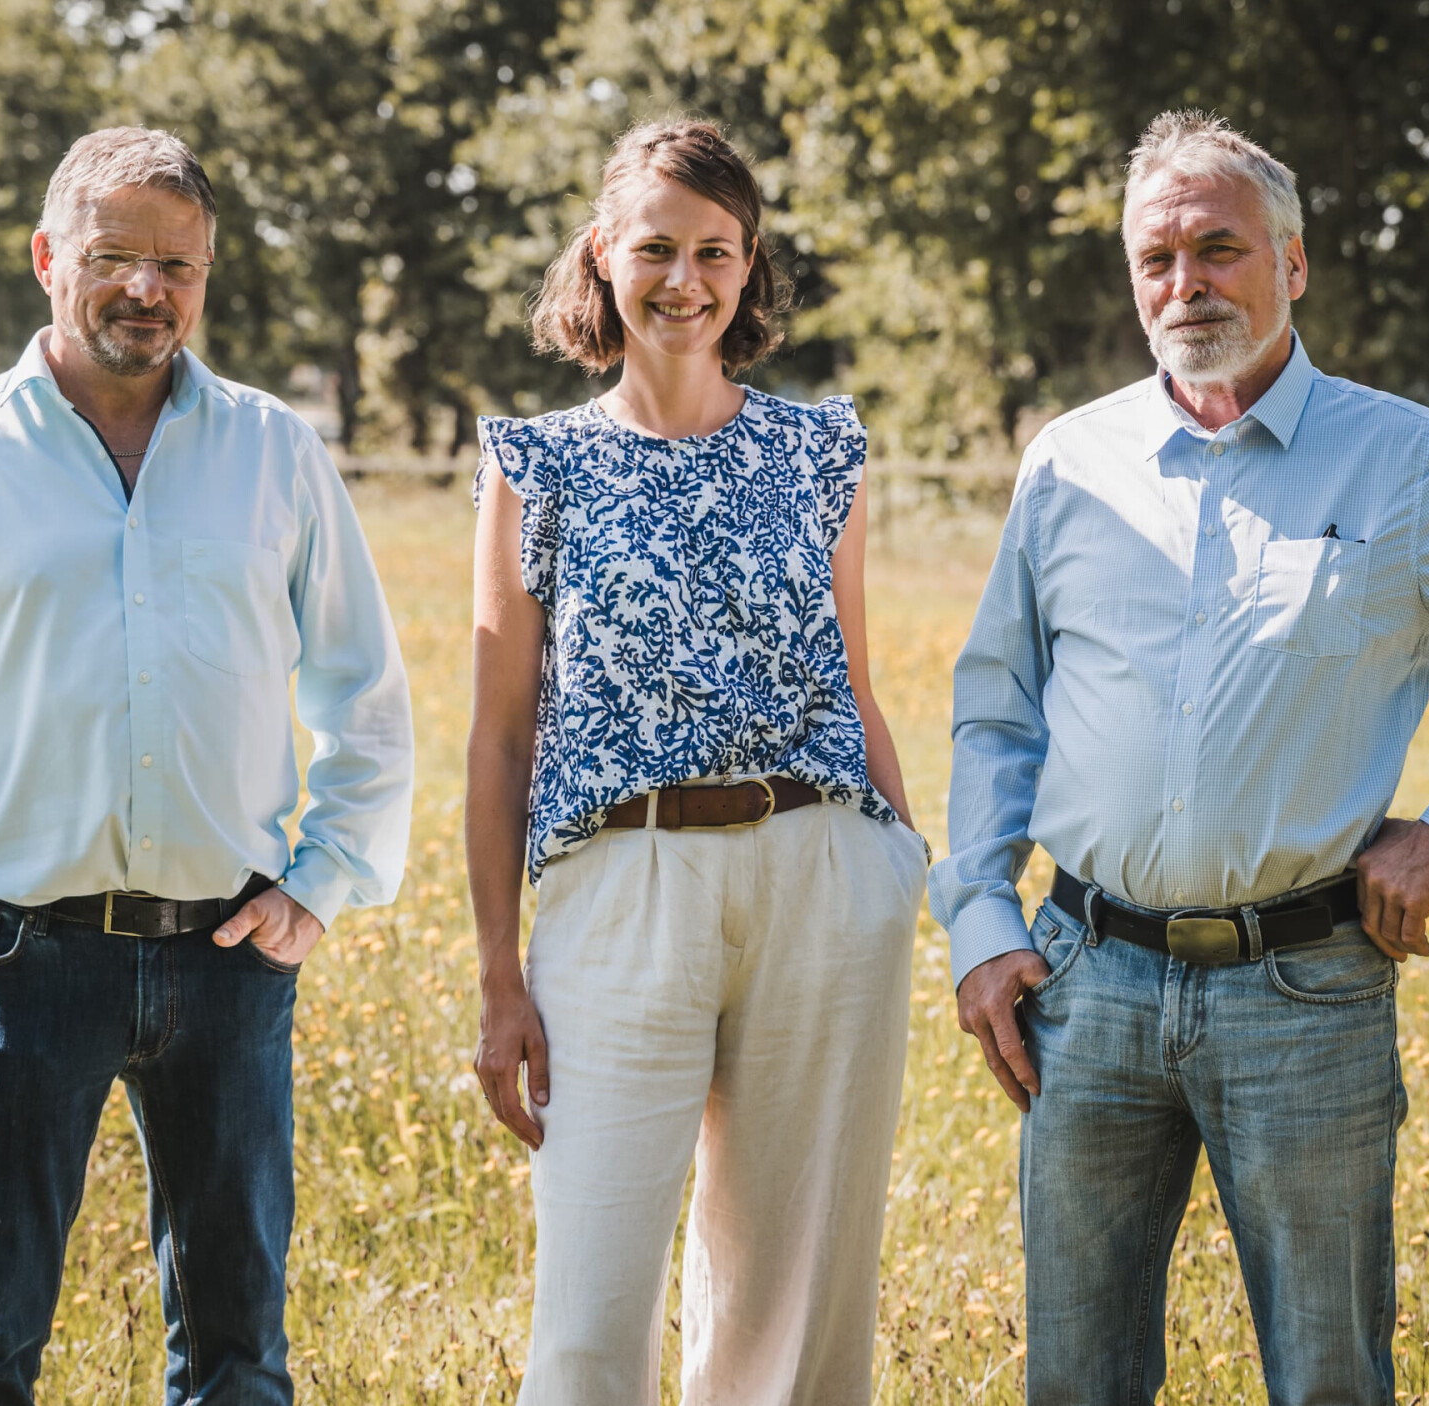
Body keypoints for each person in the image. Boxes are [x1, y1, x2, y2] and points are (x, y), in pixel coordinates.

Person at [931, 111, 1429, 1406]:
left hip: (1306, 990)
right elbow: (999, 708)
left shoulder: (1407, 462)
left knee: (1328, 1376)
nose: (1186, 284)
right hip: (1084, 987)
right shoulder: (1069, 464)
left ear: (1295, 264)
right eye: (1157, 258)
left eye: (1220, 249)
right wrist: (980, 916)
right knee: (1075, 1379)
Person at [0, 127, 414, 1405]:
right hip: (22, 958)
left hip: (232, 957)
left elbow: (367, 690)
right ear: (46, 259)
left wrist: (326, 877)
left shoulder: (274, 451)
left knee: (241, 1358)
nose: (147, 289)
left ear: (205, 276)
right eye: (114, 256)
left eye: (175, 265)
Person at [465, 118, 929, 1405]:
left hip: (823, 873)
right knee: (593, 1303)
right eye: (657, 246)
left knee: (796, 1292)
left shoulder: (818, 449)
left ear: (749, 264)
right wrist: (501, 973)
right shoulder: (536, 463)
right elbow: (501, 732)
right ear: (603, 254)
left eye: (714, 251)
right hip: (622, 883)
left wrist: (904, 862)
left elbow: (855, 680)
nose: (686, 279)